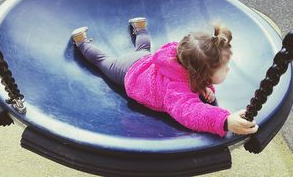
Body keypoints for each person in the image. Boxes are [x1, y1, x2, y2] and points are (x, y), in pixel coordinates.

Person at [71, 17, 258, 137]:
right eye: (224, 68)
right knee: (104, 62)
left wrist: (204, 87)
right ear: (200, 73)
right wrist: (225, 121)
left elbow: (194, 74)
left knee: (143, 49)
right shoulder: (175, 90)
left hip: (146, 61)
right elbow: (191, 113)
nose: (229, 70)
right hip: (130, 72)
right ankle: (82, 42)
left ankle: (140, 28)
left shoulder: (184, 56)